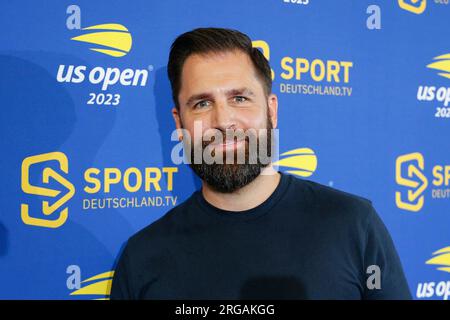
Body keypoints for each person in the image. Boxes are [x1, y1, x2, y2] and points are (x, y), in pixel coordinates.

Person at [110, 27, 412, 299]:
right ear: (179, 122)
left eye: (240, 98)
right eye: (202, 104)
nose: (224, 121)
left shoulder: (354, 225)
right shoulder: (142, 258)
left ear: (272, 110)